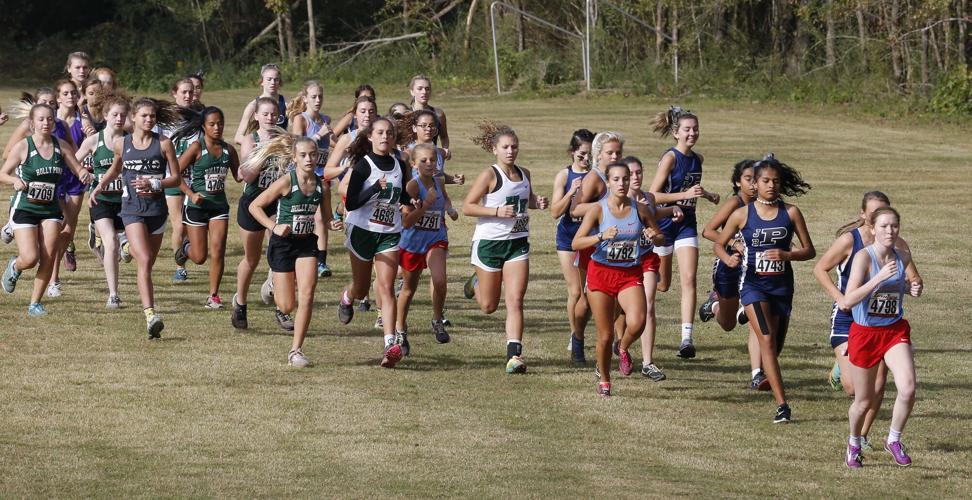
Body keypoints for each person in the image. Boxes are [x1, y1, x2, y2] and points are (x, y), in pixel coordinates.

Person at [814, 192, 920, 450]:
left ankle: (863, 437)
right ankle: (841, 368)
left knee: (880, 385)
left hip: (886, 327)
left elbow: (912, 279)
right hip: (849, 319)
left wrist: (912, 287)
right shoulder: (851, 243)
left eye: (890, 219)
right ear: (866, 218)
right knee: (855, 391)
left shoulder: (899, 246)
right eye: (877, 218)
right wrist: (840, 298)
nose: (887, 227)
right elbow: (819, 269)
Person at [713, 156, 814, 423]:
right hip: (753, 286)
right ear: (755, 184)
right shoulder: (742, 214)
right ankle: (783, 405)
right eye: (766, 181)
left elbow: (809, 250)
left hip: (782, 287)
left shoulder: (791, 213)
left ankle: (768, 378)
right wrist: (728, 257)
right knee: (766, 342)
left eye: (775, 181)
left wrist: (786, 255)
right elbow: (718, 243)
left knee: (776, 346)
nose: (771, 186)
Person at [89, 98, 183, 339]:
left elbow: (176, 178)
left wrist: (155, 183)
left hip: (156, 211)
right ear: (134, 118)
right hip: (131, 209)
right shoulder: (122, 143)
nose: (149, 120)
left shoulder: (164, 144)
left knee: (146, 264)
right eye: (144, 116)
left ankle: (128, 247)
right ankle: (151, 314)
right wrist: (100, 186)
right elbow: (116, 168)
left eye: (152, 116)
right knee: (145, 257)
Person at [462, 121, 549, 374]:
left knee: (515, 301)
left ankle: (514, 356)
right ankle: (475, 283)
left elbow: (525, 200)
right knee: (489, 306)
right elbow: (468, 206)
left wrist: (537, 202)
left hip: (517, 244)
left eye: (514, 146)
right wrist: (496, 211)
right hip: (490, 244)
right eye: (505, 147)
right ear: (495, 150)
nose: (511, 151)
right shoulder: (490, 175)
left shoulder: (525, 173)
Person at [572, 162, 665, 396]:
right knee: (604, 334)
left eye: (626, 178)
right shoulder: (598, 210)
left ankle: (621, 347)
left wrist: (656, 236)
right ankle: (604, 380)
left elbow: (660, 237)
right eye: (616, 179)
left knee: (638, 321)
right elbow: (576, 242)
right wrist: (601, 236)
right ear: (608, 182)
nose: (622, 183)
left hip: (629, 273)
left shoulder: (640, 210)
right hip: (601, 273)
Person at [841, 206, 922, 468]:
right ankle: (854, 443)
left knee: (908, 388)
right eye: (885, 226)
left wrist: (911, 289)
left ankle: (894, 439)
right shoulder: (864, 258)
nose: (890, 230)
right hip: (865, 333)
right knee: (863, 401)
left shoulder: (903, 255)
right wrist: (877, 279)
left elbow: (900, 287)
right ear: (873, 229)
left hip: (894, 330)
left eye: (894, 226)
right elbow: (848, 301)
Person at [336, 117, 414, 368]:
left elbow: (399, 192)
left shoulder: (400, 165)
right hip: (362, 230)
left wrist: (410, 203)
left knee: (386, 286)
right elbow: (350, 203)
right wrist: (373, 190)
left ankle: (390, 344)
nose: (385, 137)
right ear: (370, 136)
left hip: (389, 232)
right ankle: (348, 296)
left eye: (389, 133)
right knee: (361, 288)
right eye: (380, 133)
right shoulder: (363, 166)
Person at [0, 104, 93, 315]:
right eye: (41, 119)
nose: (46, 123)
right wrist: (14, 181)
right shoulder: (24, 146)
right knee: (30, 258)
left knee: (49, 255)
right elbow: (2, 173)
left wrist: (83, 174)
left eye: (49, 119)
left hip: (51, 208)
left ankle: (35, 303)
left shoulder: (61, 145)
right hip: (24, 207)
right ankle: (15, 266)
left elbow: (76, 167)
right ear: (32, 123)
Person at [647, 106, 720, 359]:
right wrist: (682, 197)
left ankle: (686, 339)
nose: (693, 133)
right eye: (687, 129)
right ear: (676, 133)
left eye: (696, 129)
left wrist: (707, 195)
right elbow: (652, 196)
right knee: (664, 284)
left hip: (687, 224)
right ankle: (634, 287)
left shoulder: (697, 159)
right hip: (664, 224)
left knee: (689, 279)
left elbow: (692, 186)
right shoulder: (670, 158)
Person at [247, 135, 324, 368]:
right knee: (287, 305)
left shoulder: (321, 185)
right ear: (294, 158)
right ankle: (271, 285)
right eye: (303, 155)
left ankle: (296, 350)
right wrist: (274, 226)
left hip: (307, 244)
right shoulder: (286, 181)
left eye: (312, 154)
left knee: (308, 294)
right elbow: (254, 206)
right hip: (283, 244)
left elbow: (326, 217)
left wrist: (335, 222)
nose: (308, 159)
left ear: (318, 156)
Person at [700, 159, 767, 390]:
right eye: (748, 179)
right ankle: (714, 306)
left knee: (756, 319)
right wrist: (733, 242)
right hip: (728, 265)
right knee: (727, 325)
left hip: (754, 269)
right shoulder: (734, 204)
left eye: (755, 179)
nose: (753, 185)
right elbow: (707, 231)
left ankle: (757, 374)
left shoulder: (765, 205)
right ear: (738, 182)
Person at [232, 97, 295, 331]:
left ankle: (282, 309)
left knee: (281, 255)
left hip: (278, 202)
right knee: (252, 258)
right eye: (265, 114)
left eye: (273, 114)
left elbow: (293, 169)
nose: (270, 118)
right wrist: (266, 152)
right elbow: (246, 175)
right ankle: (240, 302)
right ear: (256, 117)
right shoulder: (251, 139)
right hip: (253, 203)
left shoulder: (285, 140)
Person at [171, 106, 241, 308]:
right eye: (212, 124)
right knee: (200, 257)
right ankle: (185, 248)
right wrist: (191, 194)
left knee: (218, 250)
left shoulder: (229, 150)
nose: (217, 127)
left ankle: (213, 296)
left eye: (220, 123)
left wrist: (254, 165)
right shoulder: (196, 148)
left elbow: (239, 177)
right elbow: (176, 175)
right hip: (197, 207)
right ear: (204, 126)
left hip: (219, 207)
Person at [622, 156, 682, 381]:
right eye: (631, 174)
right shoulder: (617, 202)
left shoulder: (648, 197)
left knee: (648, 305)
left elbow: (653, 214)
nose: (636, 177)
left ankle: (648, 362)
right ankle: (622, 347)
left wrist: (672, 210)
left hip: (646, 259)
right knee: (621, 313)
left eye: (639, 172)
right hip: (622, 262)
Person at [396, 143, 458, 344]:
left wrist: (449, 209)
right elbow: (406, 221)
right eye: (424, 161)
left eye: (432, 160)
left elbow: (446, 199)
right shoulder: (412, 187)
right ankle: (400, 329)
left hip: (436, 238)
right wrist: (427, 204)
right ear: (414, 164)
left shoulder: (439, 182)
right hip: (413, 242)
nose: (430, 164)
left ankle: (437, 319)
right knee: (408, 289)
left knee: (439, 280)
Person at [73, 96, 129, 308]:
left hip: (126, 201)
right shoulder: (94, 141)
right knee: (111, 243)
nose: (119, 118)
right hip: (101, 200)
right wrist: (82, 173)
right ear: (105, 116)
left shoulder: (131, 140)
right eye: (114, 114)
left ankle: (97, 237)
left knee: (128, 249)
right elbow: (73, 161)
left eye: (123, 115)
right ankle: (113, 294)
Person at [550, 129, 594, 363]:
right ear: (572, 153)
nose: (586, 159)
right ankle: (575, 335)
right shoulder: (564, 176)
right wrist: (571, 192)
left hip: (592, 238)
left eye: (590, 155)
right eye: (581, 155)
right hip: (568, 238)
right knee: (575, 291)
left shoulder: (598, 176)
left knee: (589, 292)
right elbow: (555, 212)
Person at [289, 80, 335, 278]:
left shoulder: (325, 119)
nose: (318, 100)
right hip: (303, 175)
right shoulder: (301, 119)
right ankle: (295, 254)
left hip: (322, 175)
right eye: (314, 96)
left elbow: (333, 143)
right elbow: (296, 143)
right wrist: (318, 136)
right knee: (301, 217)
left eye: (320, 97)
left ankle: (321, 262)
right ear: (305, 98)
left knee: (321, 217)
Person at [47, 79, 86, 295]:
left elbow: (74, 149)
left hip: (75, 179)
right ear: (58, 97)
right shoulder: (50, 121)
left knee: (69, 230)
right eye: (66, 93)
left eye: (73, 92)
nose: (71, 96)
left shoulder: (82, 120)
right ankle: (54, 280)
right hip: (57, 180)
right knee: (60, 228)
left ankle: (64, 253)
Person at [162, 78, 198, 283]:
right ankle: (180, 266)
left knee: (193, 225)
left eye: (191, 92)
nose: (188, 96)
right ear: (174, 93)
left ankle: (189, 251)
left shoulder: (198, 119)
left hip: (195, 178)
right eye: (184, 92)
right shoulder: (165, 120)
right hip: (173, 178)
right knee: (179, 225)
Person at [233, 64, 287, 145]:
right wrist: (259, 145)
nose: (272, 82)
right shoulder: (253, 106)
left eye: (276, 79)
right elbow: (238, 137)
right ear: (262, 82)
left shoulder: (286, 105)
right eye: (269, 79)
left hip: (279, 151)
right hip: (260, 153)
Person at [408, 75, 450, 153]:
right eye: (420, 89)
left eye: (427, 89)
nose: (424, 92)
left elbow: (444, 137)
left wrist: (445, 150)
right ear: (412, 91)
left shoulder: (438, 114)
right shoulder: (405, 114)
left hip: (431, 158)